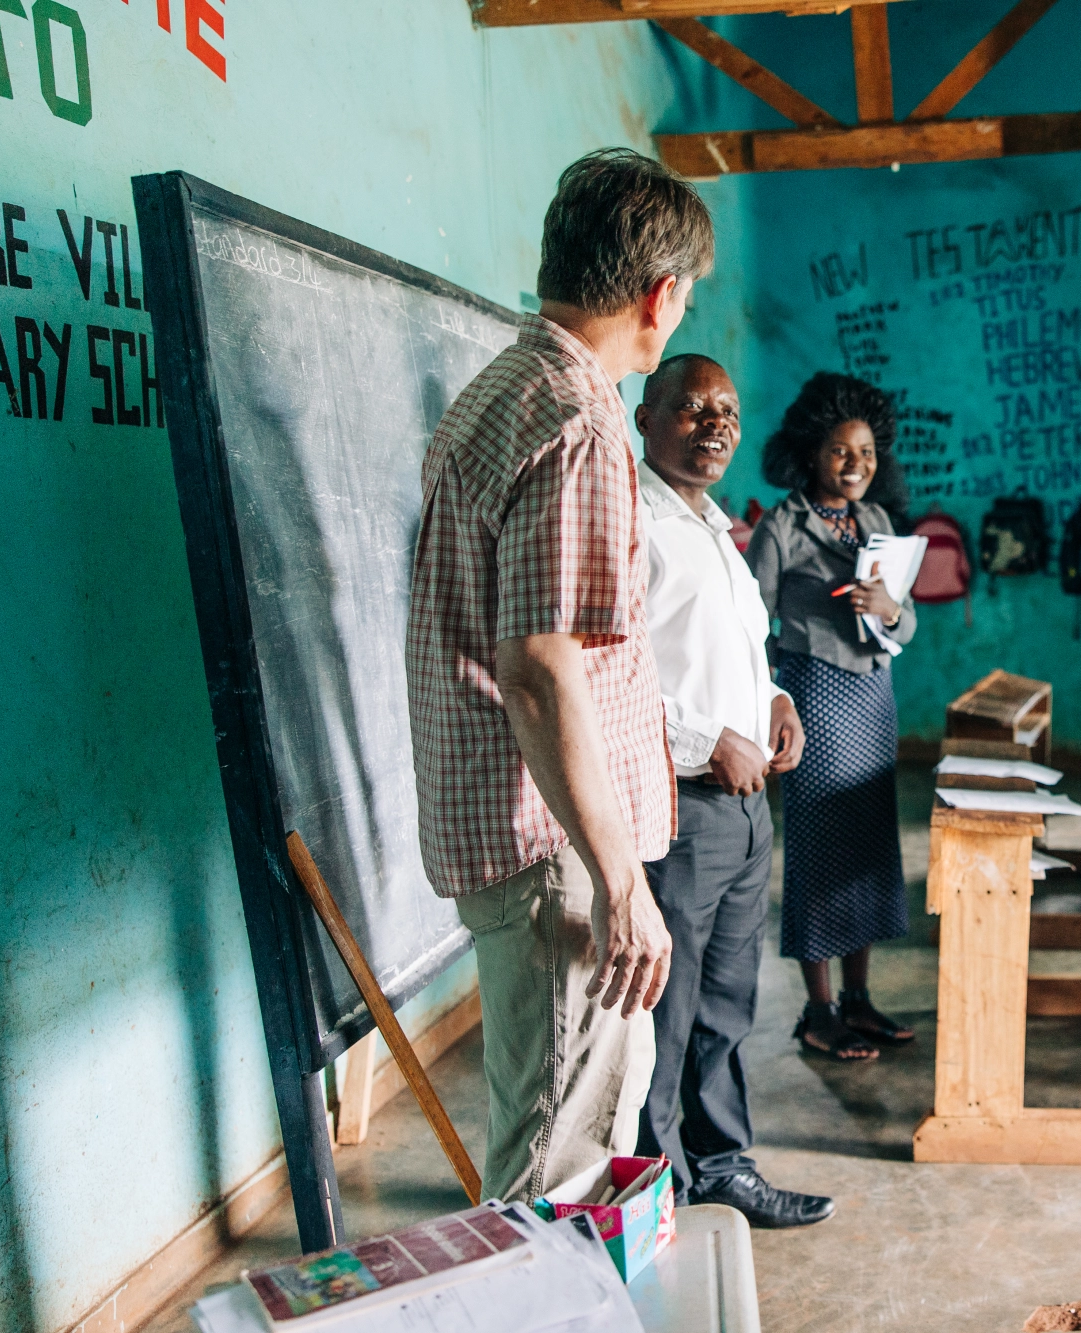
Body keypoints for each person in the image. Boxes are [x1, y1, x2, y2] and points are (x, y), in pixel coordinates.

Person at [405, 148, 709, 1203]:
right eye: (686, 294)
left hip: (540, 834)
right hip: (556, 847)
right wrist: (619, 880)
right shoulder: (578, 421)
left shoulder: (506, 389)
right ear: (660, 294)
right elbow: (538, 668)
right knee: (559, 1162)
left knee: (573, 1125)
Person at [631, 353, 833, 1228]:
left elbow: (733, 656)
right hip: (680, 807)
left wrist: (774, 699)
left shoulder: (715, 526)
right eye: (691, 407)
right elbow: (608, 679)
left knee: (725, 1003)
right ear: (646, 417)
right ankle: (659, 1190)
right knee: (665, 1012)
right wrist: (708, 741)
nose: (714, 424)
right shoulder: (629, 525)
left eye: (727, 411)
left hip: (747, 811)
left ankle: (721, 1164)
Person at [745, 372, 918, 1062]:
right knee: (819, 848)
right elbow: (748, 625)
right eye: (841, 451)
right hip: (813, 694)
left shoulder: (877, 523)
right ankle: (818, 1011)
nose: (855, 464)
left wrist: (889, 611)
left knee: (868, 846)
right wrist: (768, 697)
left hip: (873, 697)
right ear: (811, 452)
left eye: (867, 453)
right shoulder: (780, 527)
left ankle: (858, 999)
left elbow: (906, 622)